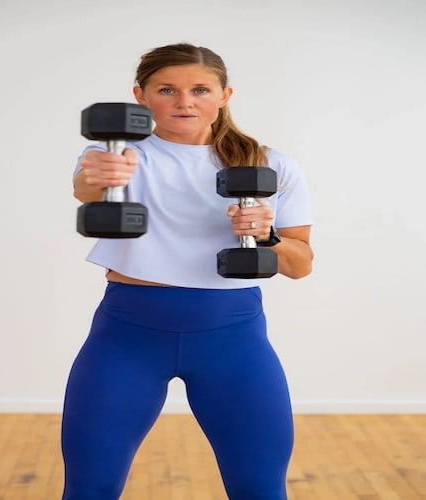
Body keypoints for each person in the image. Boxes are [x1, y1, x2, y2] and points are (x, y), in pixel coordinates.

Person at [62, 42, 313, 500]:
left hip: (234, 341)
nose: (184, 101)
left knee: (260, 489)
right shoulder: (115, 157)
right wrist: (94, 177)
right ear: (141, 96)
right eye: (166, 89)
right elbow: (88, 190)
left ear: (224, 94)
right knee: (89, 488)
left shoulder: (271, 165)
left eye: (200, 89)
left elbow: (301, 265)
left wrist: (269, 235)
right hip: (126, 338)